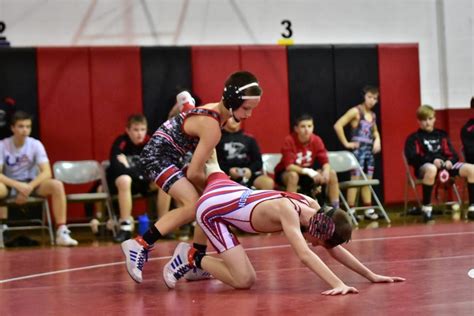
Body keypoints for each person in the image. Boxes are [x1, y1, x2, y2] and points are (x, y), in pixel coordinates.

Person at [162, 153, 405, 292]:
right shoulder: (289, 211)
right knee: (245, 280)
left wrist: (370, 275)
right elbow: (305, 256)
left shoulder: (312, 206)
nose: (318, 246)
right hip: (212, 209)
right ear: (316, 229)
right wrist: (338, 283)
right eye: (319, 242)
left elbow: (334, 248)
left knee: (212, 159)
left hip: (227, 187)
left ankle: (191, 107)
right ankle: (190, 257)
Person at [121, 71, 263, 283]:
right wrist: (216, 189)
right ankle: (140, 244)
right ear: (233, 102)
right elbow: (195, 172)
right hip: (157, 157)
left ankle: (196, 256)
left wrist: (185, 104)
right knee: (196, 205)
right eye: (246, 109)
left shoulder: (215, 112)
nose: (249, 115)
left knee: (206, 206)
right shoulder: (213, 126)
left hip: (170, 154)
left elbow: (188, 114)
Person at [0, 111, 78, 246]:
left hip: (31, 184)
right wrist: (18, 186)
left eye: (28, 127)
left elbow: (47, 172)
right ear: (12, 128)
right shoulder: (3, 145)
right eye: (21, 126)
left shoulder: (35, 144)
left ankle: (61, 231)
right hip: (10, 184)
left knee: (56, 185)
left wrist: (28, 187)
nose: (25, 130)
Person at [405, 105, 474, 221]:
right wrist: (432, 161)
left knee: (472, 169)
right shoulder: (414, 138)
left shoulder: (442, 135)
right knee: (431, 168)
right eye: (423, 119)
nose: (427, 122)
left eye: (430, 119)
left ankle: (472, 207)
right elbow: (412, 158)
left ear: (434, 119)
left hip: (445, 167)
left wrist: (449, 161)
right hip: (424, 167)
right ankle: (427, 209)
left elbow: (454, 155)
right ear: (418, 121)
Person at [334, 86, 381, 220]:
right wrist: (346, 143)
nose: (372, 101)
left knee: (368, 179)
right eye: (370, 97)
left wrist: (378, 139)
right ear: (364, 97)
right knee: (355, 179)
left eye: (375, 98)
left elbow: (375, 131)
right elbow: (338, 125)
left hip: (369, 150)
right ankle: (351, 209)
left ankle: (367, 208)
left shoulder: (372, 115)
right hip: (358, 150)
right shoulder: (355, 111)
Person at [105, 114, 154, 243]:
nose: (139, 134)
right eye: (136, 130)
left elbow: (153, 166)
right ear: (128, 130)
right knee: (125, 179)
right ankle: (125, 226)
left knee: (163, 180)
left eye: (142, 129)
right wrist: (138, 172)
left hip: (142, 182)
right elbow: (116, 166)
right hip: (122, 185)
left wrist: (128, 166)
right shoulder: (121, 142)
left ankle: (163, 224)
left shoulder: (150, 142)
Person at [274, 114, 340, 209]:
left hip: (306, 173)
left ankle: (335, 208)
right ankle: (290, 208)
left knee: (332, 173)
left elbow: (325, 161)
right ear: (296, 128)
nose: (307, 129)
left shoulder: (316, 140)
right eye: (303, 126)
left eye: (309, 126)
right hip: (286, 173)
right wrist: (310, 172)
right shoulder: (289, 140)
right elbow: (289, 166)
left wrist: (325, 171)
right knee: (293, 175)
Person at [216, 118, 274, 190]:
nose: (234, 120)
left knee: (268, 182)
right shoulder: (217, 139)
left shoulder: (249, 139)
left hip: (248, 174)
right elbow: (214, 162)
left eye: (236, 118)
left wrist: (250, 170)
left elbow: (258, 162)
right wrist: (228, 170)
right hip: (225, 175)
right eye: (231, 117)